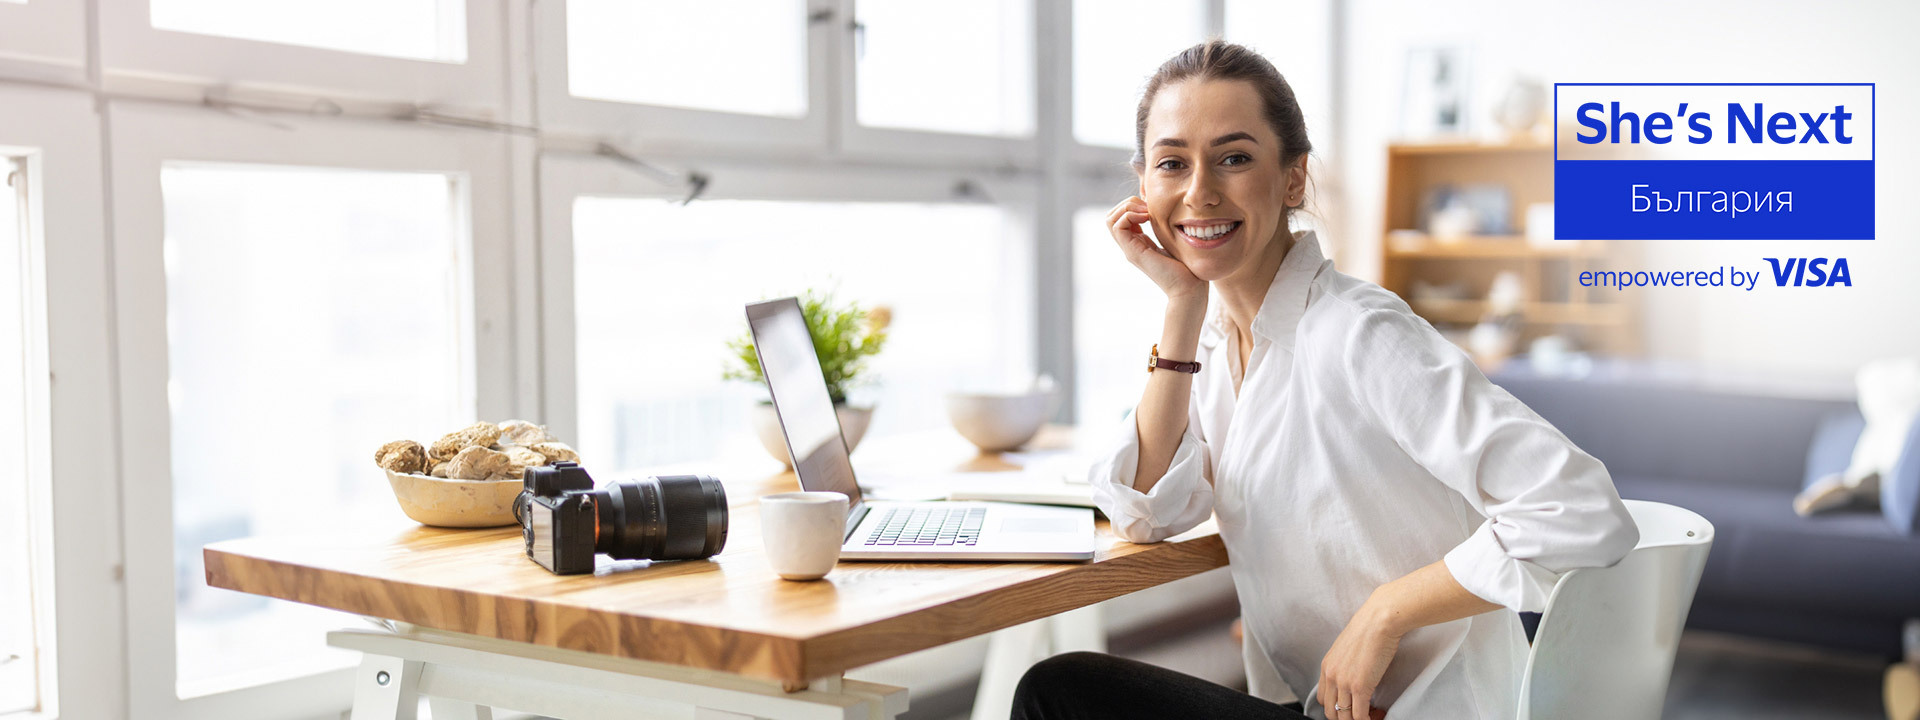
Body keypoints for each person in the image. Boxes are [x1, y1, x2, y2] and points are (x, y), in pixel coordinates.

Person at [1010, 40, 1639, 720]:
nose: (1199, 191)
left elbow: (1580, 507)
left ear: (1291, 177)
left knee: (1057, 692)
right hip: (1307, 704)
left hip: (1429, 711)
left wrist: (1385, 612)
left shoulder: (1359, 331)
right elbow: (1143, 511)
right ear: (1143, 187)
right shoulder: (1218, 346)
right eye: (1172, 163)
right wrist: (1182, 305)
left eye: (1234, 157)